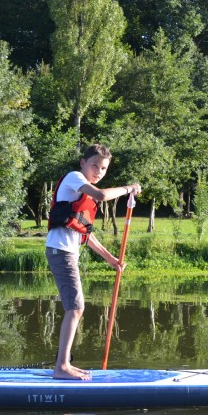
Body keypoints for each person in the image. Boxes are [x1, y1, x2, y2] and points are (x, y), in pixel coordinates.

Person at [46, 144, 141, 380]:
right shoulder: (74, 178)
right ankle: (61, 367)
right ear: (83, 163)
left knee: (76, 308)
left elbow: (84, 233)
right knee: (76, 308)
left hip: (66, 251)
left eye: (104, 168)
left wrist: (111, 259)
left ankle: (64, 363)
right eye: (94, 166)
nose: (98, 171)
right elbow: (102, 195)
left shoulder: (82, 193)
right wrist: (129, 188)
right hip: (61, 251)